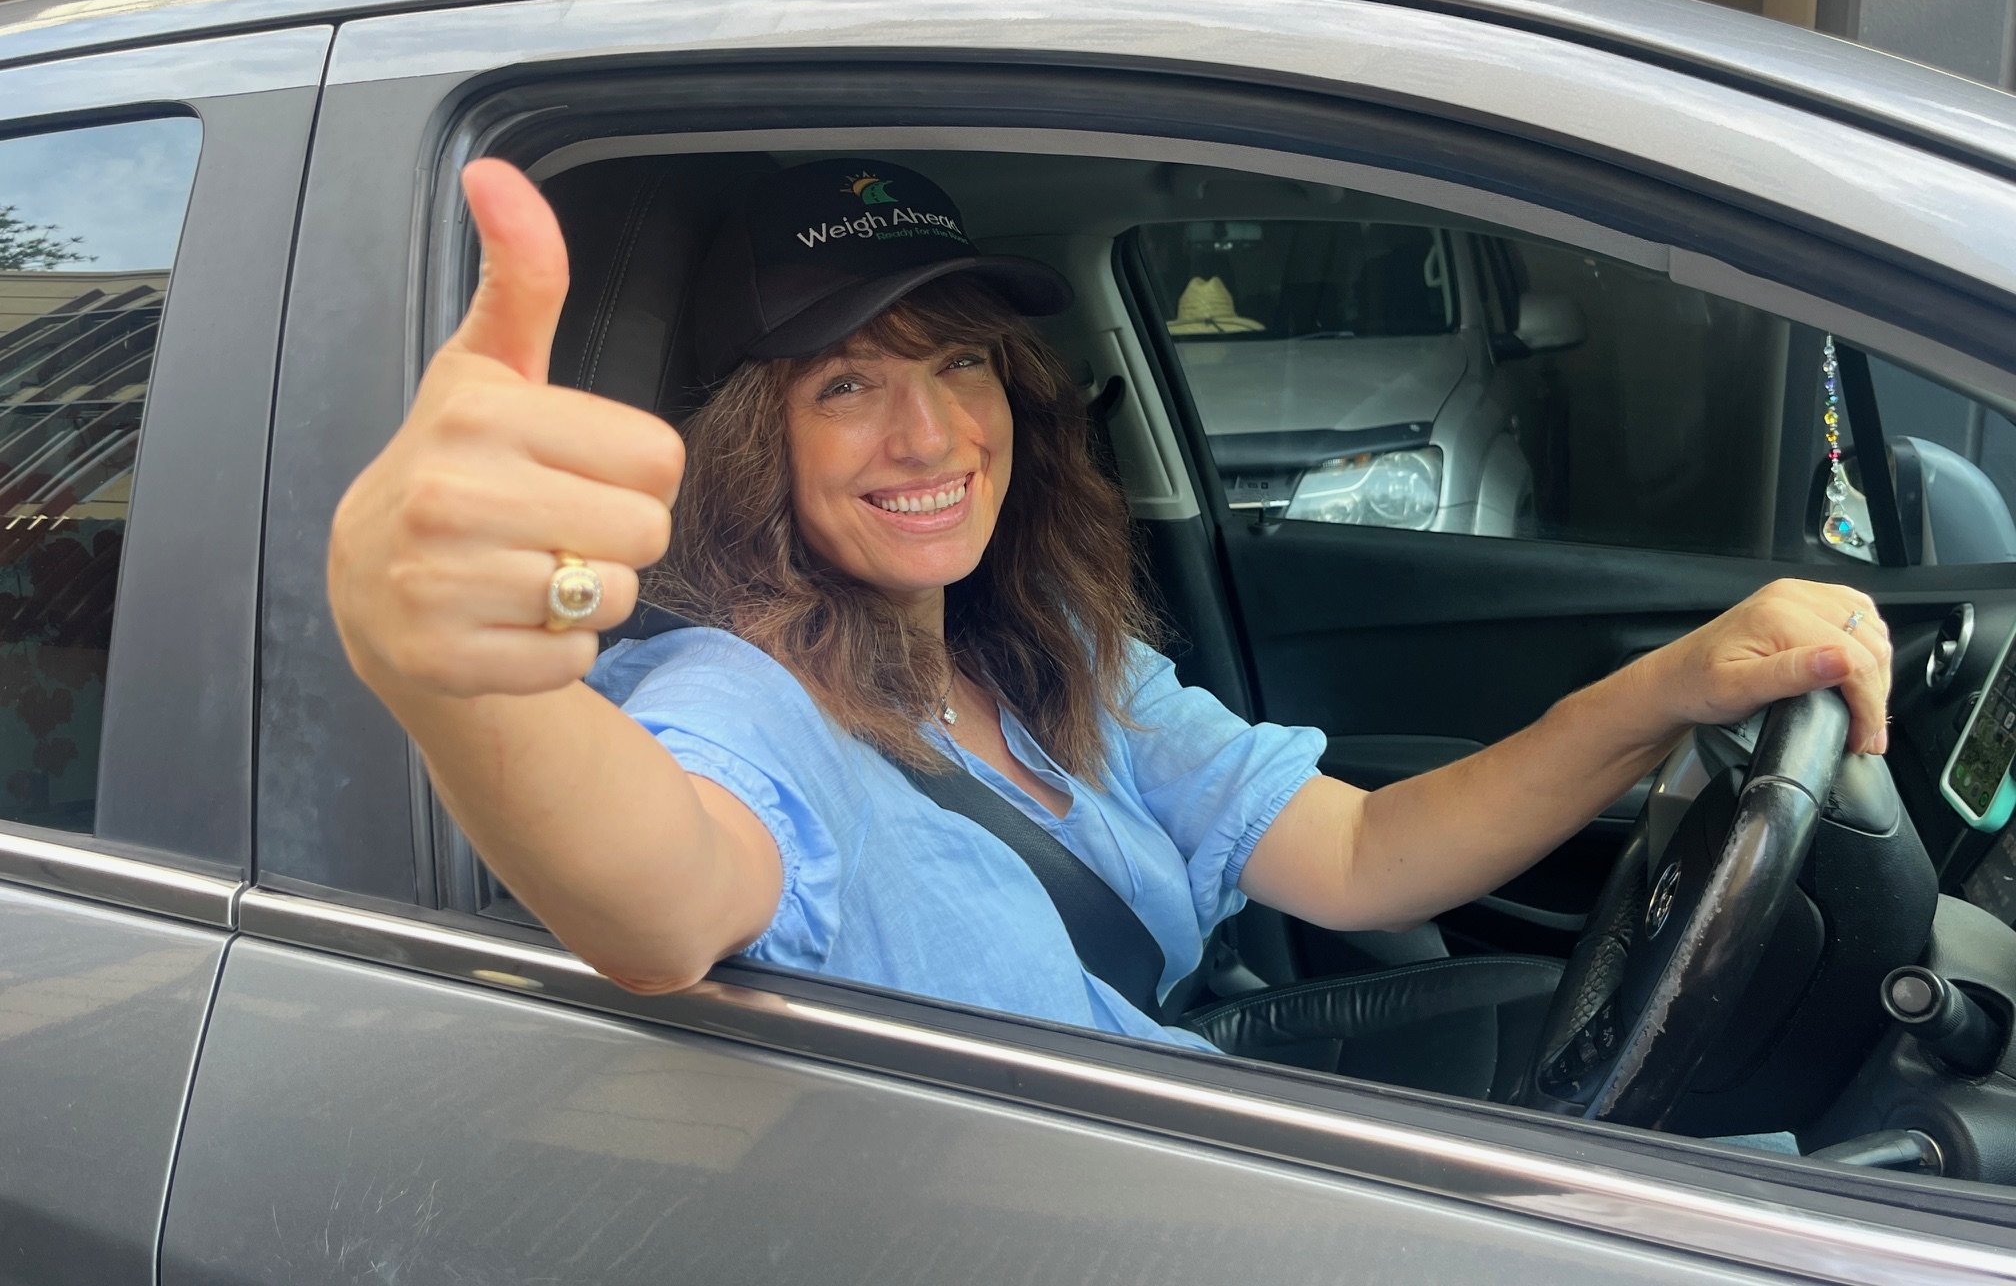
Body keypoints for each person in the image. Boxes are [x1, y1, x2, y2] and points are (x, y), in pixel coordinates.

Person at [327, 154, 1894, 1059]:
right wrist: (462, 677)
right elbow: (659, 904)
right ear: (749, 437)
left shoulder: (1051, 649)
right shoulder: (730, 701)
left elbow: (1363, 853)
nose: (933, 436)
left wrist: (1667, 689)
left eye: (958, 362)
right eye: (847, 384)